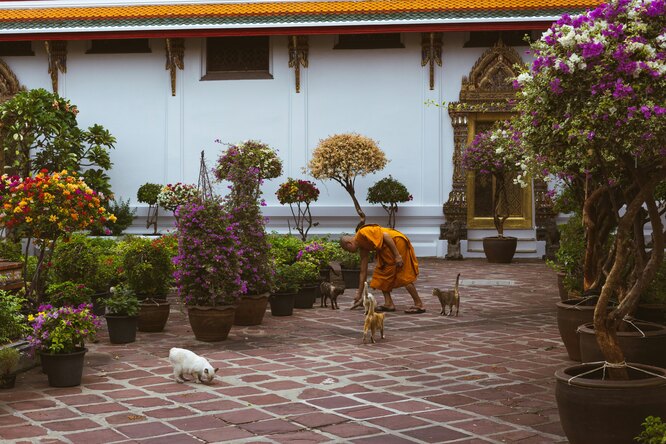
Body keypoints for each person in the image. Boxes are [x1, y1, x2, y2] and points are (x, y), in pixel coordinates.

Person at [340, 224, 425, 314]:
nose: (350, 252)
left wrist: (397, 255)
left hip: (396, 242)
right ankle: (389, 304)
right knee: (381, 274)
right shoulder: (363, 248)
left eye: (348, 250)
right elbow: (363, 272)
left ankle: (419, 304)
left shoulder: (362, 233)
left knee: (403, 274)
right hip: (386, 249)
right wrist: (359, 294)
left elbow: (386, 236)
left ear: (349, 244)